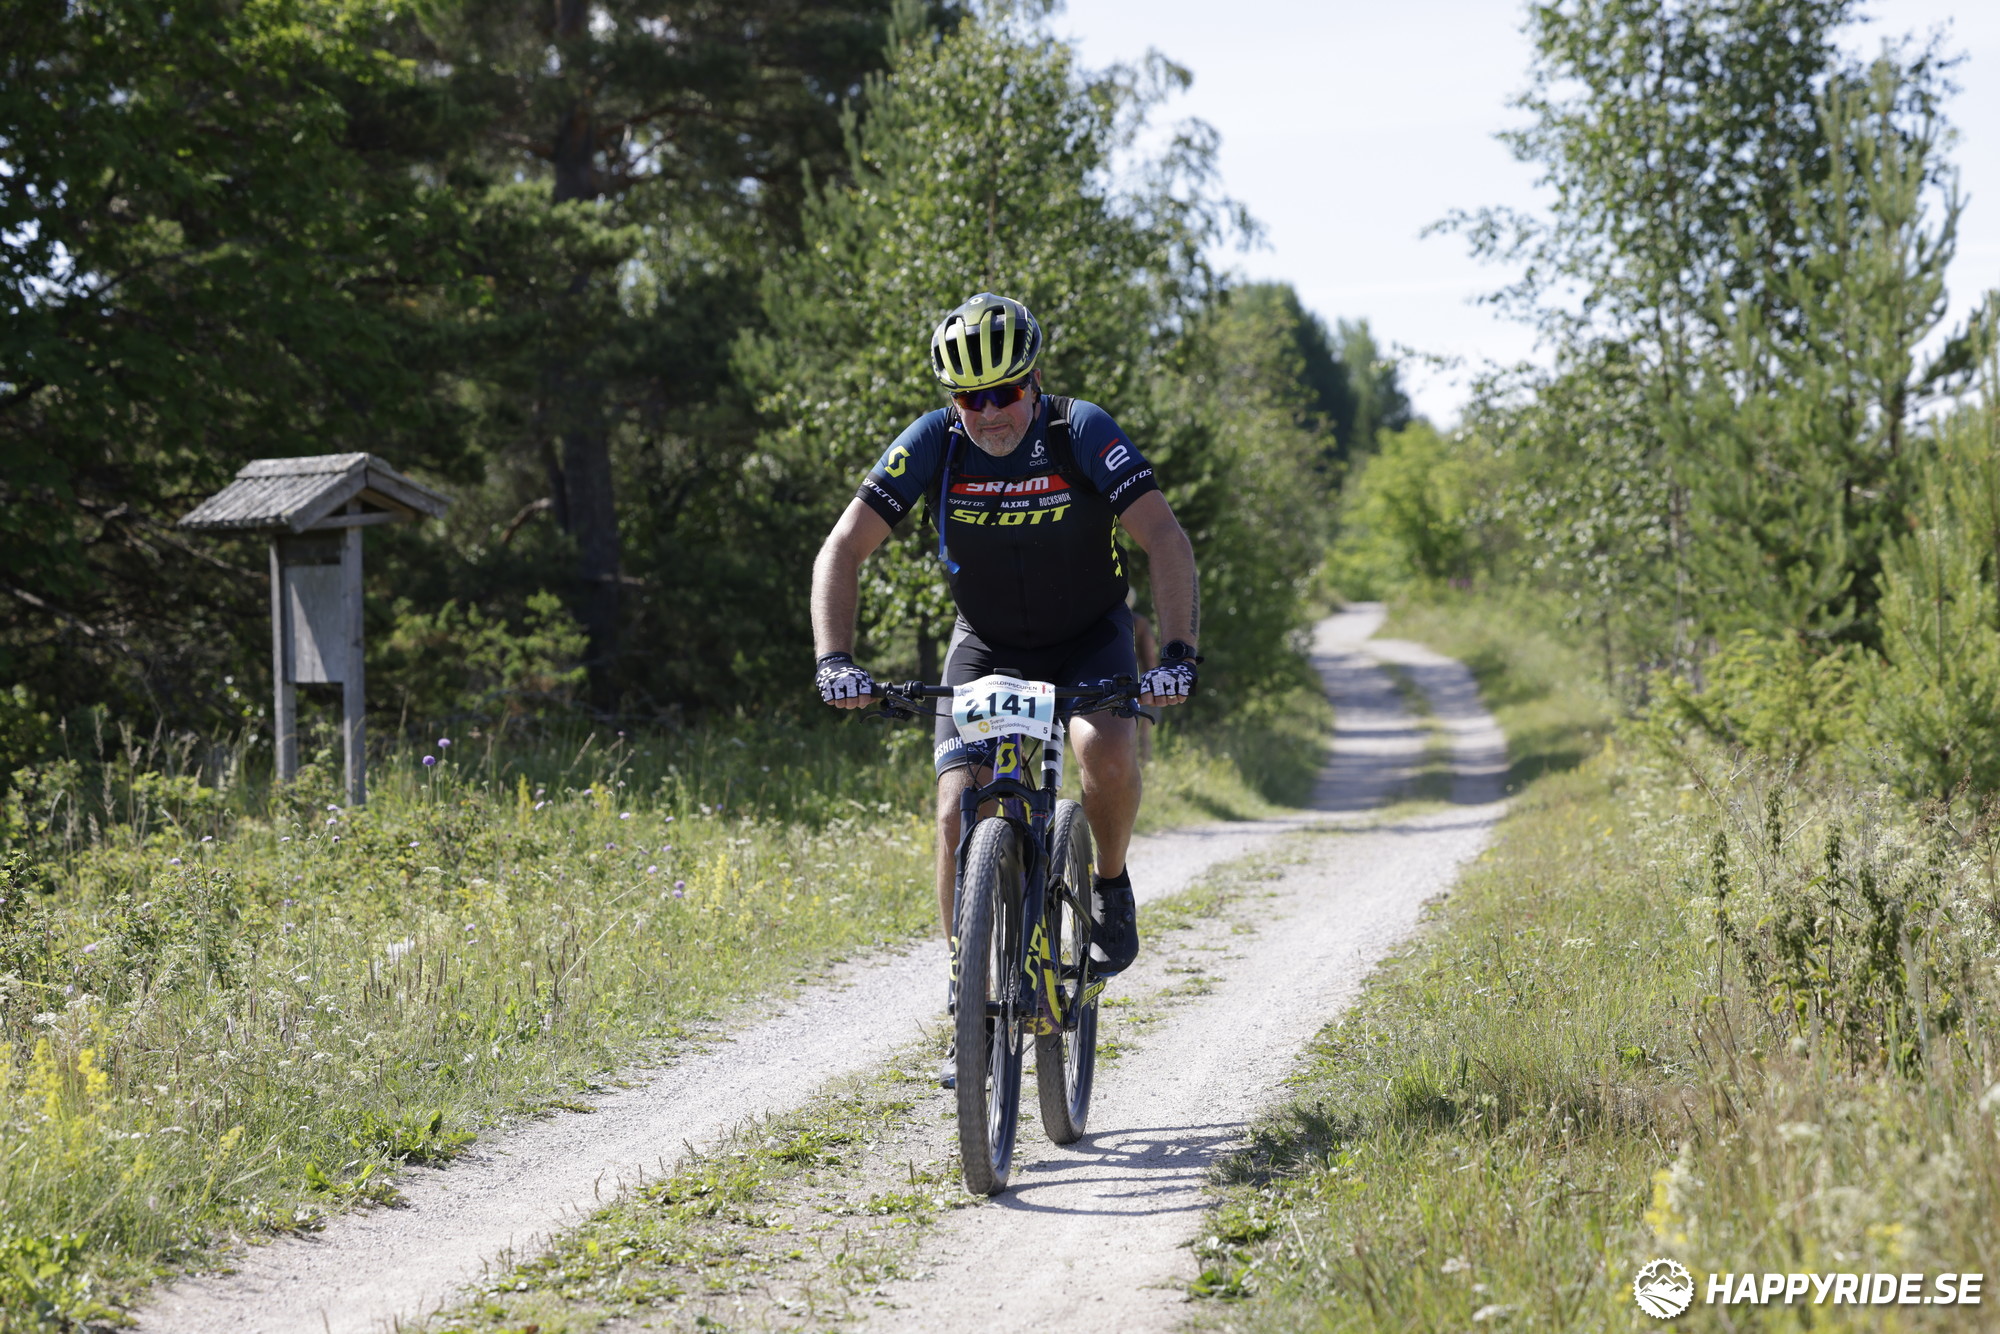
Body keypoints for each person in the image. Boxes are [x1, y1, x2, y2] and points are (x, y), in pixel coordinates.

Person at [810, 292, 1201, 988]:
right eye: (971, 398)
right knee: (955, 811)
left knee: (1104, 753)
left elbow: (1164, 538)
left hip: (1089, 636)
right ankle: (966, 990)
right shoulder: (934, 442)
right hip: (987, 645)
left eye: (1005, 393)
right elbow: (843, 547)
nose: (990, 412)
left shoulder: (1081, 430)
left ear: (1035, 382)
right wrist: (834, 660)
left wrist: (1176, 655)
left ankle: (1110, 885)